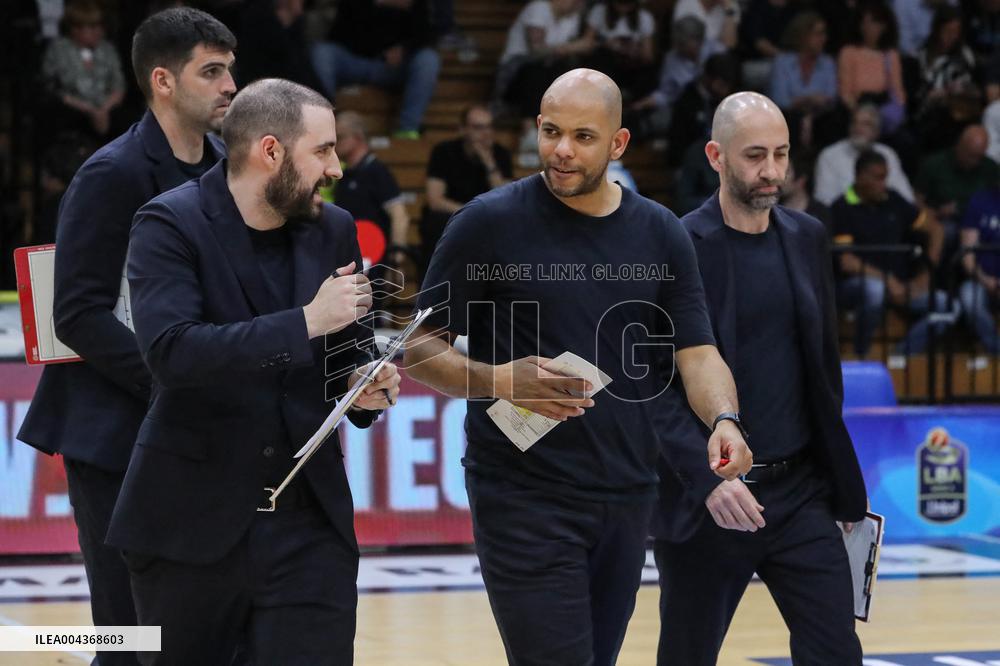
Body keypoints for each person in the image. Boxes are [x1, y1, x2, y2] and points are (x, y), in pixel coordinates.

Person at [404, 68, 753, 666]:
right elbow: (418, 348)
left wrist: (724, 419)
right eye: (550, 131)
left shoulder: (661, 233)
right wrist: (496, 380)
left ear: (618, 144)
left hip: (627, 492)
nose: (561, 150)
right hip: (521, 493)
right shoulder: (487, 223)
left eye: (583, 137)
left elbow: (696, 351)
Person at [106, 78, 401, 665]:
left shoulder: (334, 228)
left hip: (307, 524)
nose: (337, 168)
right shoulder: (168, 223)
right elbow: (172, 352)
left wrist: (362, 383)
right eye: (323, 150)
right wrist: (306, 322)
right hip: (190, 523)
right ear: (271, 151)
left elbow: (348, 347)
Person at [16, 9, 237, 666]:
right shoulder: (111, 173)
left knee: (193, 632)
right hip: (114, 433)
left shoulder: (225, 164)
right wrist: (176, 379)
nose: (231, 86)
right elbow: (77, 313)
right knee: (129, 636)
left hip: (196, 433)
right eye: (213, 71)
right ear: (163, 81)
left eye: (231, 69)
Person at [651, 92, 867, 666]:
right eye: (754, 156)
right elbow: (653, 390)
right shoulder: (675, 246)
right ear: (716, 155)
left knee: (837, 652)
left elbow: (822, 373)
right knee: (686, 656)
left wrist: (840, 486)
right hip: (711, 500)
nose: (771, 171)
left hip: (801, 494)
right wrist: (706, 479)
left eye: (781, 154)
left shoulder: (807, 237)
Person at [832, 149, 949, 356]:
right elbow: (847, 261)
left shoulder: (893, 200)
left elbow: (936, 230)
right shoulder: (841, 207)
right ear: (859, 177)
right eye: (877, 178)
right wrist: (888, 281)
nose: (883, 184)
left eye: (885, 177)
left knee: (946, 305)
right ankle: (861, 354)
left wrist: (924, 276)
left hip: (903, 287)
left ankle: (900, 356)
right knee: (874, 291)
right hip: (857, 286)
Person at [310, 0, 441, 139]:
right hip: (353, 61)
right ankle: (325, 124)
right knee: (321, 52)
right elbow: (337, 34)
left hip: (391, 68)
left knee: (428, 59)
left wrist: (406, 49)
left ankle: (407, 129)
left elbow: (428, 35)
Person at [421, 104, 513, 275]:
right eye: (478, 127)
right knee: (435, 221)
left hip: (487, 218)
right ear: (463, 130)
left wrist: (489, 163)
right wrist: (469, 214)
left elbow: (506, 200)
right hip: (452, 216)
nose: (486, 133)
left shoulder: (501, 154)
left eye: (489, 126)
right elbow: (435, 200)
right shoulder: (444, 151)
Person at [333, 110, 410, 266]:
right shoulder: (343, 175)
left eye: (340, 137)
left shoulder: (377, 171)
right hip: (350, 257)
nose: (334, 144)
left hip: (375, 262)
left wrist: (396, 256)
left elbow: (399, 215)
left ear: (358, 137)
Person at [41, 0, 126, 138]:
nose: (98, 32)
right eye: (92, 27)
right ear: (75, 29)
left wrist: (103, 110)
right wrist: (90, 110)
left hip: (106, 110)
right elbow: (55, 90)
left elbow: (118, 86)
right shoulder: (59, 50)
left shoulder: (107, 49)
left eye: (100, 26)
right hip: (73, 110)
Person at [813, 104, 914, 205]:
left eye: (866, 124)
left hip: (883, 214)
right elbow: (824, 200)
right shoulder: (830, 156)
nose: (858, 128)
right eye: (854, 122)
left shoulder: (887, 154)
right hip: (847, 216)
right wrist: (862, 198)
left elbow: (906, 197)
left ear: (877, 131)